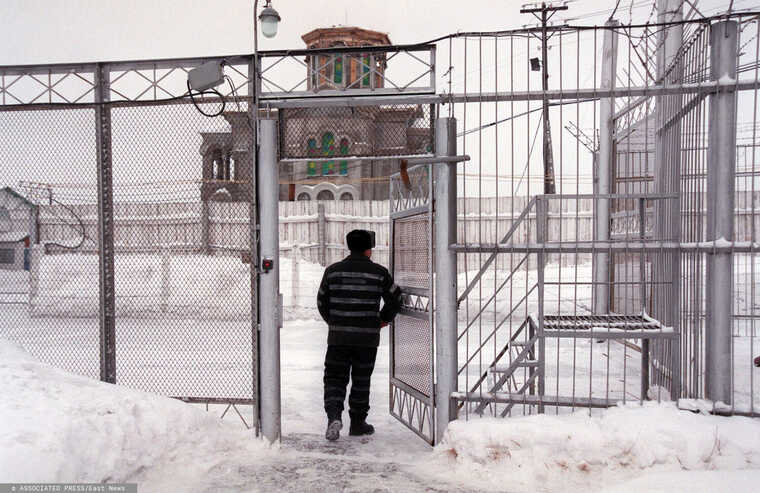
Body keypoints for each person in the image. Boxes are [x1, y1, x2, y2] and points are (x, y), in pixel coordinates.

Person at [317, 229, 402, 441]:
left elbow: (321, 301)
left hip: (338, 338)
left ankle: (334, 416)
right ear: (369, 249)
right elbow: (395, 299)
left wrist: (335, 322)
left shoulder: (333, 271)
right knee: (361, 379)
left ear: (348, 246)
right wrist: (382, 320)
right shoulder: (379, 273)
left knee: (335, 378)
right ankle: (357, 423)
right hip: (367, 338)